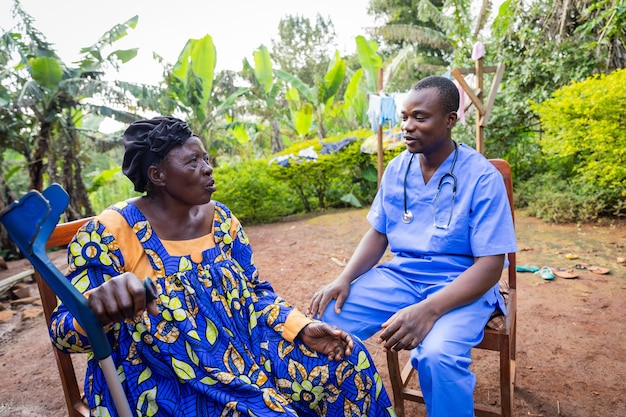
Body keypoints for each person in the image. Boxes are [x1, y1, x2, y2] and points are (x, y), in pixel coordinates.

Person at [49, 116, 394, 417]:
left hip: (249, 349)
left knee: (349, 367)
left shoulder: (221, 219)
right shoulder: (111, 231)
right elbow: (64, 332)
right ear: (157, 175)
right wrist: (97, 306)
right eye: (192, 162)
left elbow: (255, 292)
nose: (208, 167)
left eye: (206, 157)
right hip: (166, 375)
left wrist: (300, 328)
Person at [308, 76, 517, 417]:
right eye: (405, 117)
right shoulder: (396, 169)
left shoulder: (482, 177)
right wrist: (344, 278)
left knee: (438, 357)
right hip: (400, 278)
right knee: (325, 323)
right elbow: (379, 234)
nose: (407, 126)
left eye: (420, 117)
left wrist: (429, 310)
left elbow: (491, 266)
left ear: (450, 120)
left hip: (461, 285)